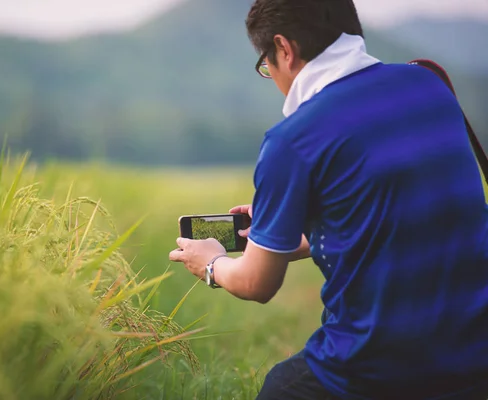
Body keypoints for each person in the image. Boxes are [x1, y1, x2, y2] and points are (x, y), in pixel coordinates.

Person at [169, 0, 488, 398]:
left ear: (284, 49)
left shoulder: (293, 139)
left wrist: (212, 263)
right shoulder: (431, 85)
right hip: (475, 352)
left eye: (266, 65)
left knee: (281, 390)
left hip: (378, 364)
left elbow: (256, 283)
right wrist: (281, 234)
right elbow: (398, 216)